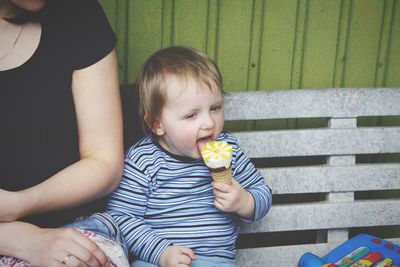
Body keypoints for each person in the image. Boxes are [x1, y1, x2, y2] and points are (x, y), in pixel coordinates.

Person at [105, 46, 273, 266]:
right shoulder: (143, 160)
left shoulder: (228, 148)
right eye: (192, 115)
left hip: (216, 261)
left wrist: (244, 202)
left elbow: (262, 192)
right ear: (157, 124)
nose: (209, 123)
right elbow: (121, 218)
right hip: (157, 261)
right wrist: (161, 252)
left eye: (215, 108)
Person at [0, 0, 124, 266]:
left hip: (76, 228)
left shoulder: (79, 13)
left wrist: (18, 203)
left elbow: (103, 161)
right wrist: (22, 239)